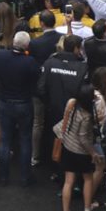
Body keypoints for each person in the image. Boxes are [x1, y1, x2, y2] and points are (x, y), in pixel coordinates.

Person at [37, 34, 89, 179]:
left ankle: (55, 170)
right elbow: (85, 92)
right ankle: (69, 174)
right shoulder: (83, 67)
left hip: (53, 110)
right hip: (73, 112)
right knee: (73, 143)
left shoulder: (49, 63)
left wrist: (49, 103)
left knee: (54, 138)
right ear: (76, 48)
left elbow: (40, 88)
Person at [0, 31, 40, 186]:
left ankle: (2, 175)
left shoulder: (0, 56)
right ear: (27, 46)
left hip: (5, 102)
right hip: (23, 104)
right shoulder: (30, 62)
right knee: (25, 140)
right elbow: (36, 81)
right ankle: (25, 176)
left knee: (5, 140)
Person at [58, 84, 103, 211]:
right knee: (88, 179)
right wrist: (93, 153)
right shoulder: (86, 115)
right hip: (81, 152)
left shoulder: (71, 103)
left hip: (67, 146)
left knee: (68, 181)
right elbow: (83, 138)